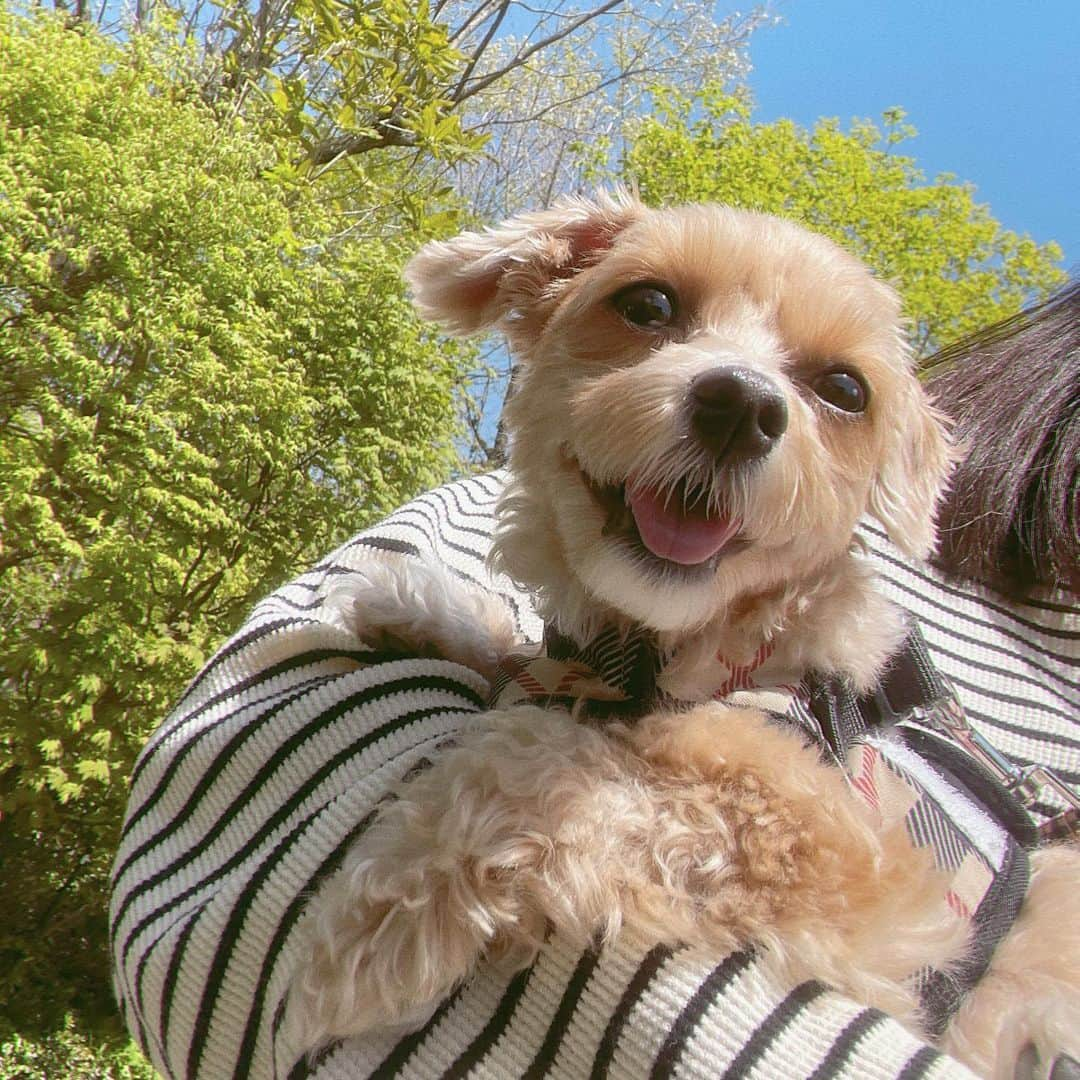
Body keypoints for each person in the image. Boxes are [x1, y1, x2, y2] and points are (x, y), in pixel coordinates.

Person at [110, 287, 1078, 1079]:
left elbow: (824, 874)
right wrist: (511, 673)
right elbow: (220, 873)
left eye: (837, 388)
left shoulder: (835, 672)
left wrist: (531, 799)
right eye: (653, 306)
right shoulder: (584, 509)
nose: (745, 390)